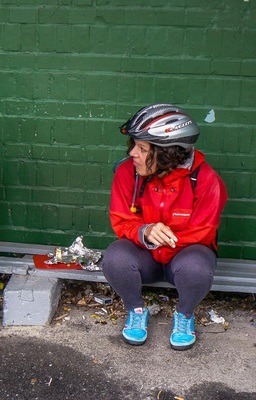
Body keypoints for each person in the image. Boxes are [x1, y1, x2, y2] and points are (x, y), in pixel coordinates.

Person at [102, 103, 227, 350]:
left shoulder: (206, 180)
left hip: (184, 258)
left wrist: (166, 243)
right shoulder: (128, 172)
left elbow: (204, 231)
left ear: (167, 153)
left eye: (142, 148)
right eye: (134, 146)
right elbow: (120, 218)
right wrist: (145, 231)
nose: (132, 154)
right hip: (145, 255)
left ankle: (185, 315)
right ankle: (136, 310)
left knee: (197, 269)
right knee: (114, 257)